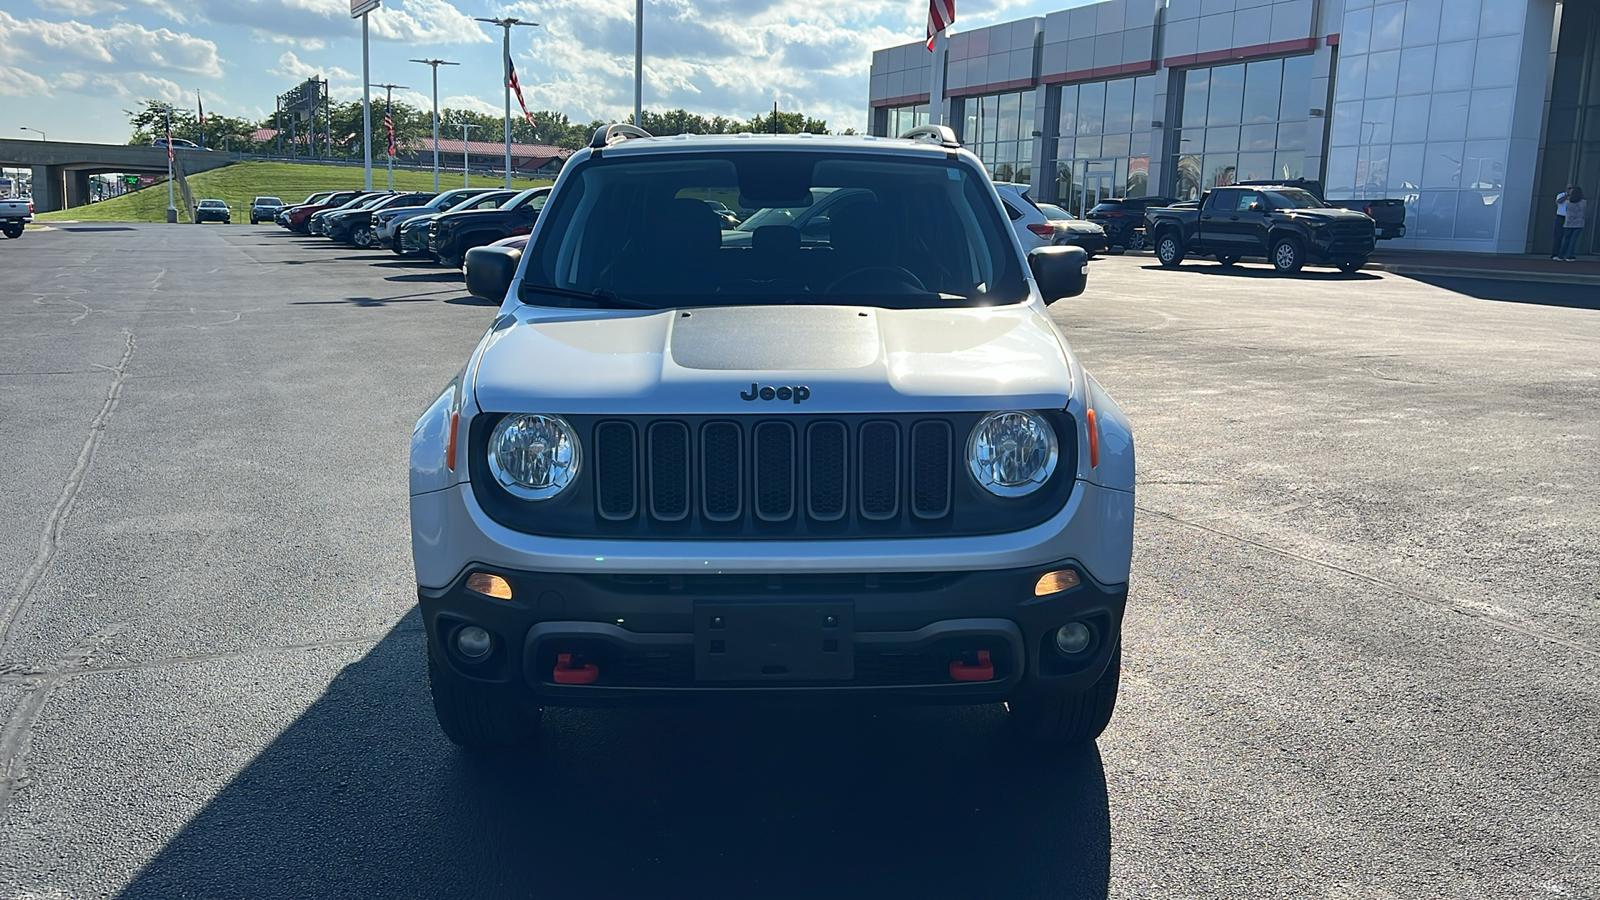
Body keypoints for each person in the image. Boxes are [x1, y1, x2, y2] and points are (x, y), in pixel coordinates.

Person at [1557, 186, 1585, 261]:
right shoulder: (1583, 202)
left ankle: (1561, 255)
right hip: (1579, 223)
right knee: (1573, 240)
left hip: (1568, 222)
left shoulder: (1568, 202)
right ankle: (1569, 256)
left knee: (1566, 239)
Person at [1552, 185, 1571, 258]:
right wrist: (1567, 195)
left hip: (1570, 217)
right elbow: (1558, 201)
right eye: (1569, 188)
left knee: (1568, 236)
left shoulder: (1575, 197)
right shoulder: (1561, 195)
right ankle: (1555, 253)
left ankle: (1566, 254)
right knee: (1558, 235)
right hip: (1561, 216)